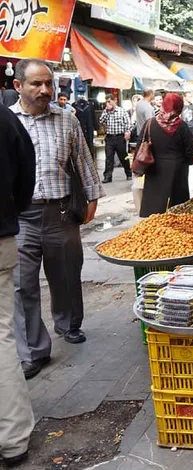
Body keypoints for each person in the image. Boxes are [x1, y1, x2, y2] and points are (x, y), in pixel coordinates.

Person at [9, 59, 103, 379]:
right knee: (22, 284)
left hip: (61, 211)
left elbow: (83, 161)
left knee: (66, 273)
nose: (45, 90)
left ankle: (68, 324)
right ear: (18, 86)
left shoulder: (67, 119)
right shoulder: (7, 122)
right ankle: (33, 350)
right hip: (21, 216)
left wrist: (92, 199)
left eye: (48, 83)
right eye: (36, 84)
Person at [0, 105, 36, 467]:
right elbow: (27, 176)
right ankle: (12, 440)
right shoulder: (6, 118)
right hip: (1, 238)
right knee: (1, 337)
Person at [139, 93, 193, 217]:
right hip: (177, 170)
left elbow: (140, 145)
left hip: (154, 168)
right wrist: (187, 162)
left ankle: (155, 225)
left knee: (155, 207)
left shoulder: (150, 123)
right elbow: (190, 150)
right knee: (178, 210)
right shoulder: (182, 126)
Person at [99, 95, 133, 183]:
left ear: (115, 101)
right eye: (106, 102)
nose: (108, 103)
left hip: (119, 137)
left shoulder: (122, 111)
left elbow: (128, 123)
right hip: (109, 137)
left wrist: (127, 132)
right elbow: (101, 121)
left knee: (123, 157)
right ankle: (107, 177)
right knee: (109, 158)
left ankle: (128, 173)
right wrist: (106, 111)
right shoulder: (106, 111)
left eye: (109, 101)